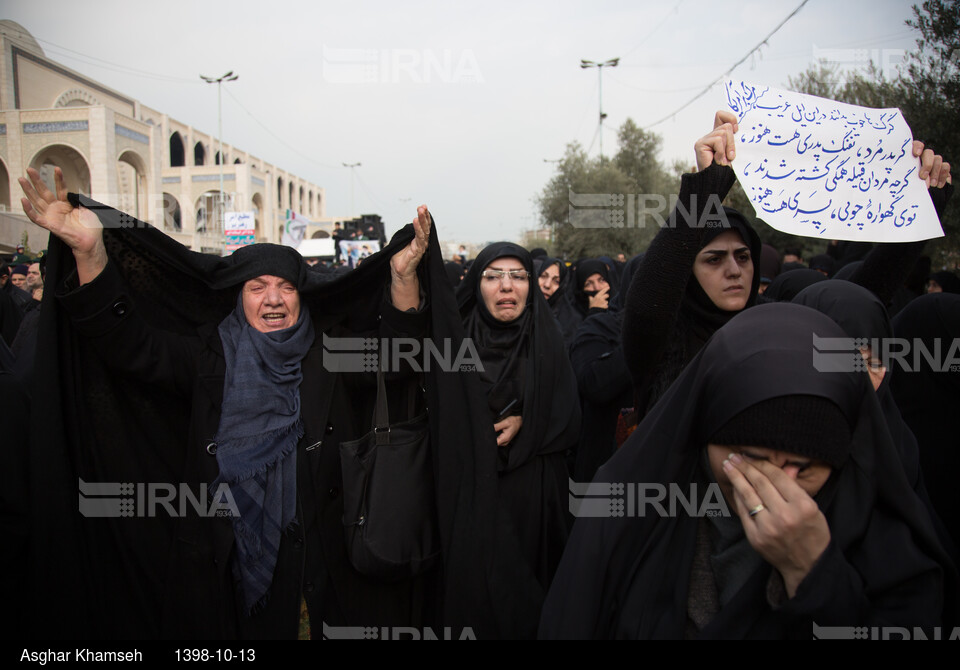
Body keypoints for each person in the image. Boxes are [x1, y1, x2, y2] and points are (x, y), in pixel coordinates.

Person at [16, 166, 508, 639]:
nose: (273, 299)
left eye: (285, 287)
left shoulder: (328, 354)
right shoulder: (211, 357)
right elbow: (131, 347)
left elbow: (396, 359)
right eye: (258, 287)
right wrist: (91, 255)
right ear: (239, 298)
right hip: (226, 567)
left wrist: (402, 278)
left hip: (329, 569)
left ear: (301, 297)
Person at [540, 303, 957, 639]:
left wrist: (813, 573)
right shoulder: (631, 510)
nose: (776, 486)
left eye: (802, 466)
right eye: (751, 458)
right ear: (704, 434)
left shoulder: (886, 540)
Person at [456, 242, 581, 637]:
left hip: (536, 497)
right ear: (477, 285)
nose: (506, 286)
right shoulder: (454, 341)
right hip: (472, 492)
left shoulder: (547, 337)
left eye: (518, 276)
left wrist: (528, 422)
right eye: (493, 276)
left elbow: (569, 414)